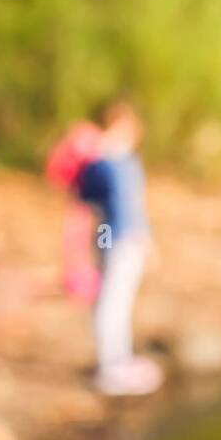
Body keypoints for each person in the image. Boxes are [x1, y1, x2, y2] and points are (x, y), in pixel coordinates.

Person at [47, 101, 162, 397]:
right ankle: (112, 367)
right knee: (113, 301)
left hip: (114, 237)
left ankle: (115, 361)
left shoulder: (112, 161)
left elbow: (119, 203)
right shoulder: (108, 161)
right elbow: (109, 203)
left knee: (112, 300)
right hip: (117, 238)